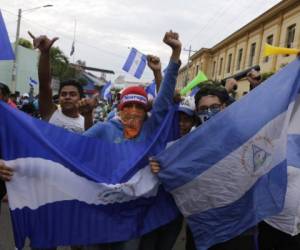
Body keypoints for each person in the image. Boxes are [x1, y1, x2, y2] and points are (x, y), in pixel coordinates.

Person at [0, 30, 182, 250]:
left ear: (146, 111)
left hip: (131, 214)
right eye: (128, 106)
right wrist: (19, 166)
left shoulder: (150, 133)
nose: (133, 111)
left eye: (139, 107)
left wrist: (174, 56)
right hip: (98, 209)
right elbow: (66, 153)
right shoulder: (105, 129)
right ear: (120, 108)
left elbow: (163, 104)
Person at [141, 96, 197, 250]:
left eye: (186, 120)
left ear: (193, 122)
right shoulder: (157, 139)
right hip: (151, 213)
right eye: (178, 118)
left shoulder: (196, 145)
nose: (181, 123)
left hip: (174, 215)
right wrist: (149, 165)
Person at [28, 31, 95, 133]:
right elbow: (44, 85)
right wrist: (45, 53)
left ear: (80, 99)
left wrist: (89, 115)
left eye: (72, 94)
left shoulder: (85, 122)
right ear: (59, 98)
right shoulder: (50, 113)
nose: (67, 97)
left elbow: (90, 144)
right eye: (63, 94)